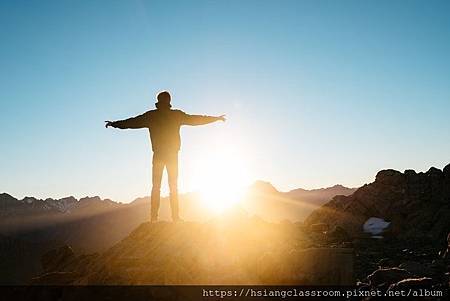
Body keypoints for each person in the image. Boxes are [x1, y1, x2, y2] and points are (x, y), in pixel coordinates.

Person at [105, 91, 225, 222]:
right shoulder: (176, 115)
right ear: (169, 101)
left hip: (158, 155)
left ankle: (153, 218)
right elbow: (196, 119)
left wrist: (114, 124)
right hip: (172, 156)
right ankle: (175, 217)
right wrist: (215, 118)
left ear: (158, 101)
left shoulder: (151, 116)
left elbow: (131, 122)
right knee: (173, 186)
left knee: (156, 187)